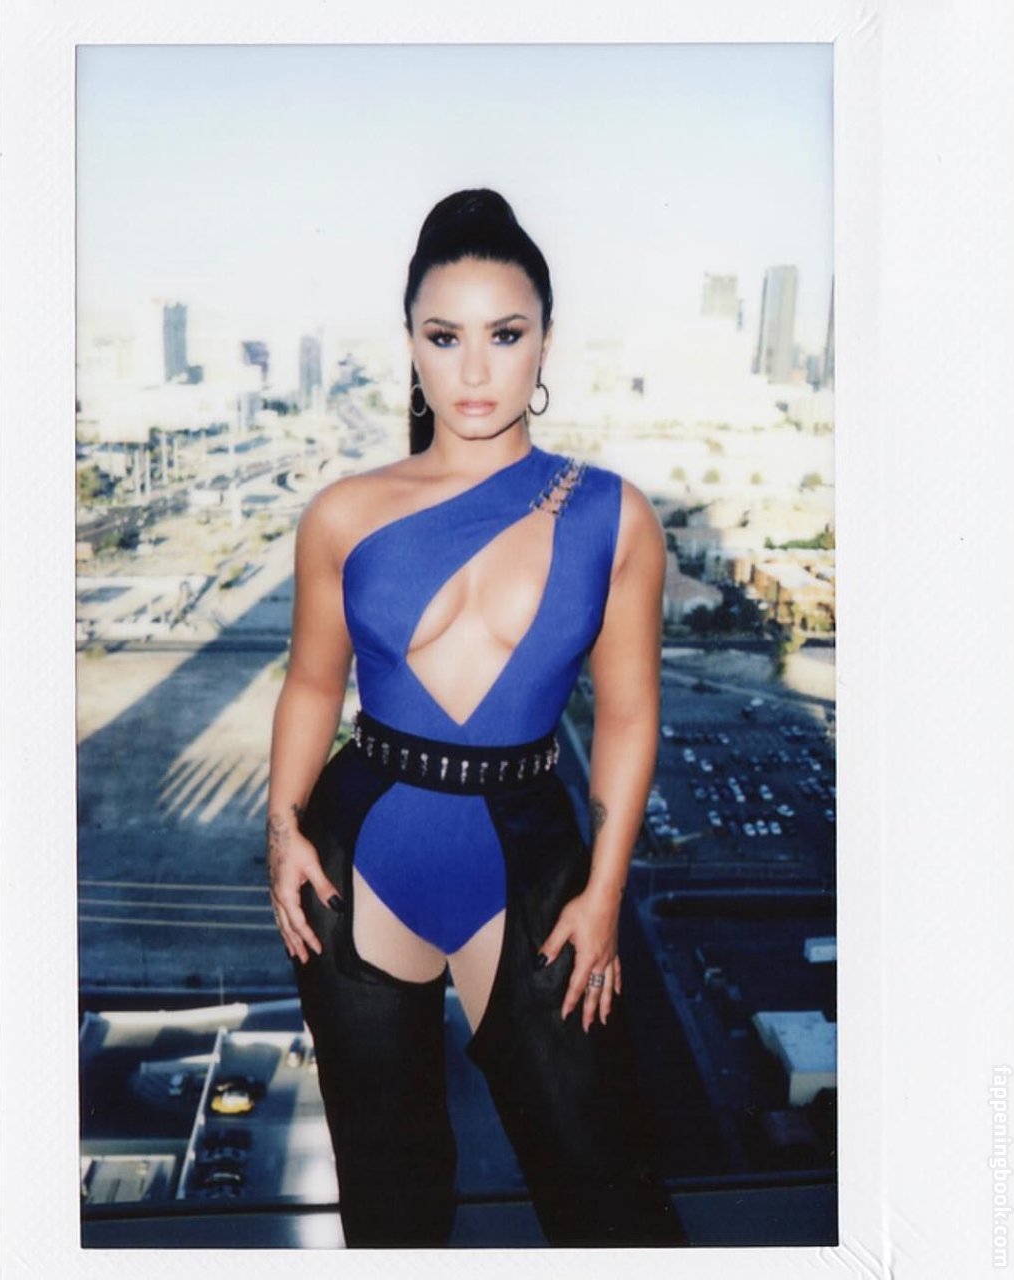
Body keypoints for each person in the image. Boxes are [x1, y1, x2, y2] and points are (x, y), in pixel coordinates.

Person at [266, 189, 688, 1248]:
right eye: (443, 336)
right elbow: (312, 685)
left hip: (532, 863)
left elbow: (630, 714)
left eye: (504, 334)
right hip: (357, 856)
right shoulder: (343, 513)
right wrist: (282, 833)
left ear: (545, 339)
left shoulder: (613, 515)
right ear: (410, 342)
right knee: (389, 1199)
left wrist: (605, 889)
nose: (473, 370)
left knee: (603, 1188)